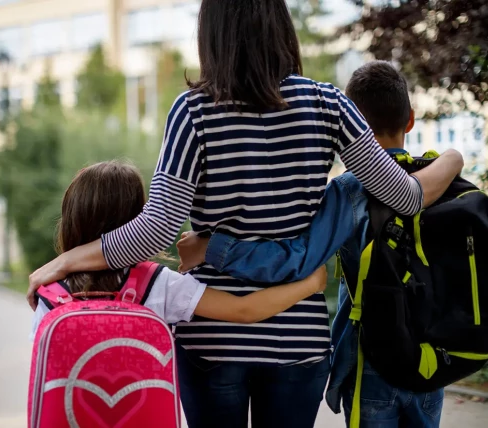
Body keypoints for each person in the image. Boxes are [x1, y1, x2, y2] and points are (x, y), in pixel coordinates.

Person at [27, 1, 462, 426]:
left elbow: (156, 231)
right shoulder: (329, 105)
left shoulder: (192, 112)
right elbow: (406, 197)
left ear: (212, 32)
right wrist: (454, 158)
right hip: (298, 340)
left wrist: (66, 260)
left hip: (213, 344)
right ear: (281, 25)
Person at [176, 61, 455, 428]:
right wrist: (453, 158)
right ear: (411, 120)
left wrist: (211, 247)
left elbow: (299, 258)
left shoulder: (352, 191)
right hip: (434, 361)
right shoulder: (443, 181)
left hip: (373, 359)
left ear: (355, 127)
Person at [29, 160, 327, 339]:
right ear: (137, 220)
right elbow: (244, 310)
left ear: (72, 220)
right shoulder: (158, 284)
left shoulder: (51, 294)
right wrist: (311, 283)